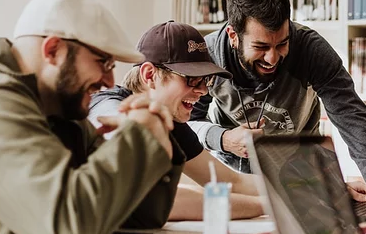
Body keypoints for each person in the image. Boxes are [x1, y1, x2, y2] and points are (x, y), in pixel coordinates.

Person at [0, 0, 185, 234]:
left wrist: (156, 135)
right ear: (53, 50)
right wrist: (139, 137)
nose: (109, 80)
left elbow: (139, 216)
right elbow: (67, 224)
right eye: (103, 62)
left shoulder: (56, 108)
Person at [189, 0, 366, 197]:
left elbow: (352, 118)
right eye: (261, 47)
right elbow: (188, 124)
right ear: (233, 35)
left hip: (302, 175)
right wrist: (223, 139)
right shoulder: (207, 56)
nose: (272, 58)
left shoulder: (311, 50)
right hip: (234, 180)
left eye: (282, 43)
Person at [89, 20, 264, 221]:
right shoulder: (107, 107)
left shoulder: (170, 121)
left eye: (206, 80)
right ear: (149, 75)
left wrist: (294, 189)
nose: (203, 91)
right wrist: (266, 206)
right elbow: (156, 197)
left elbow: (231, 181)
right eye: (192, 79)